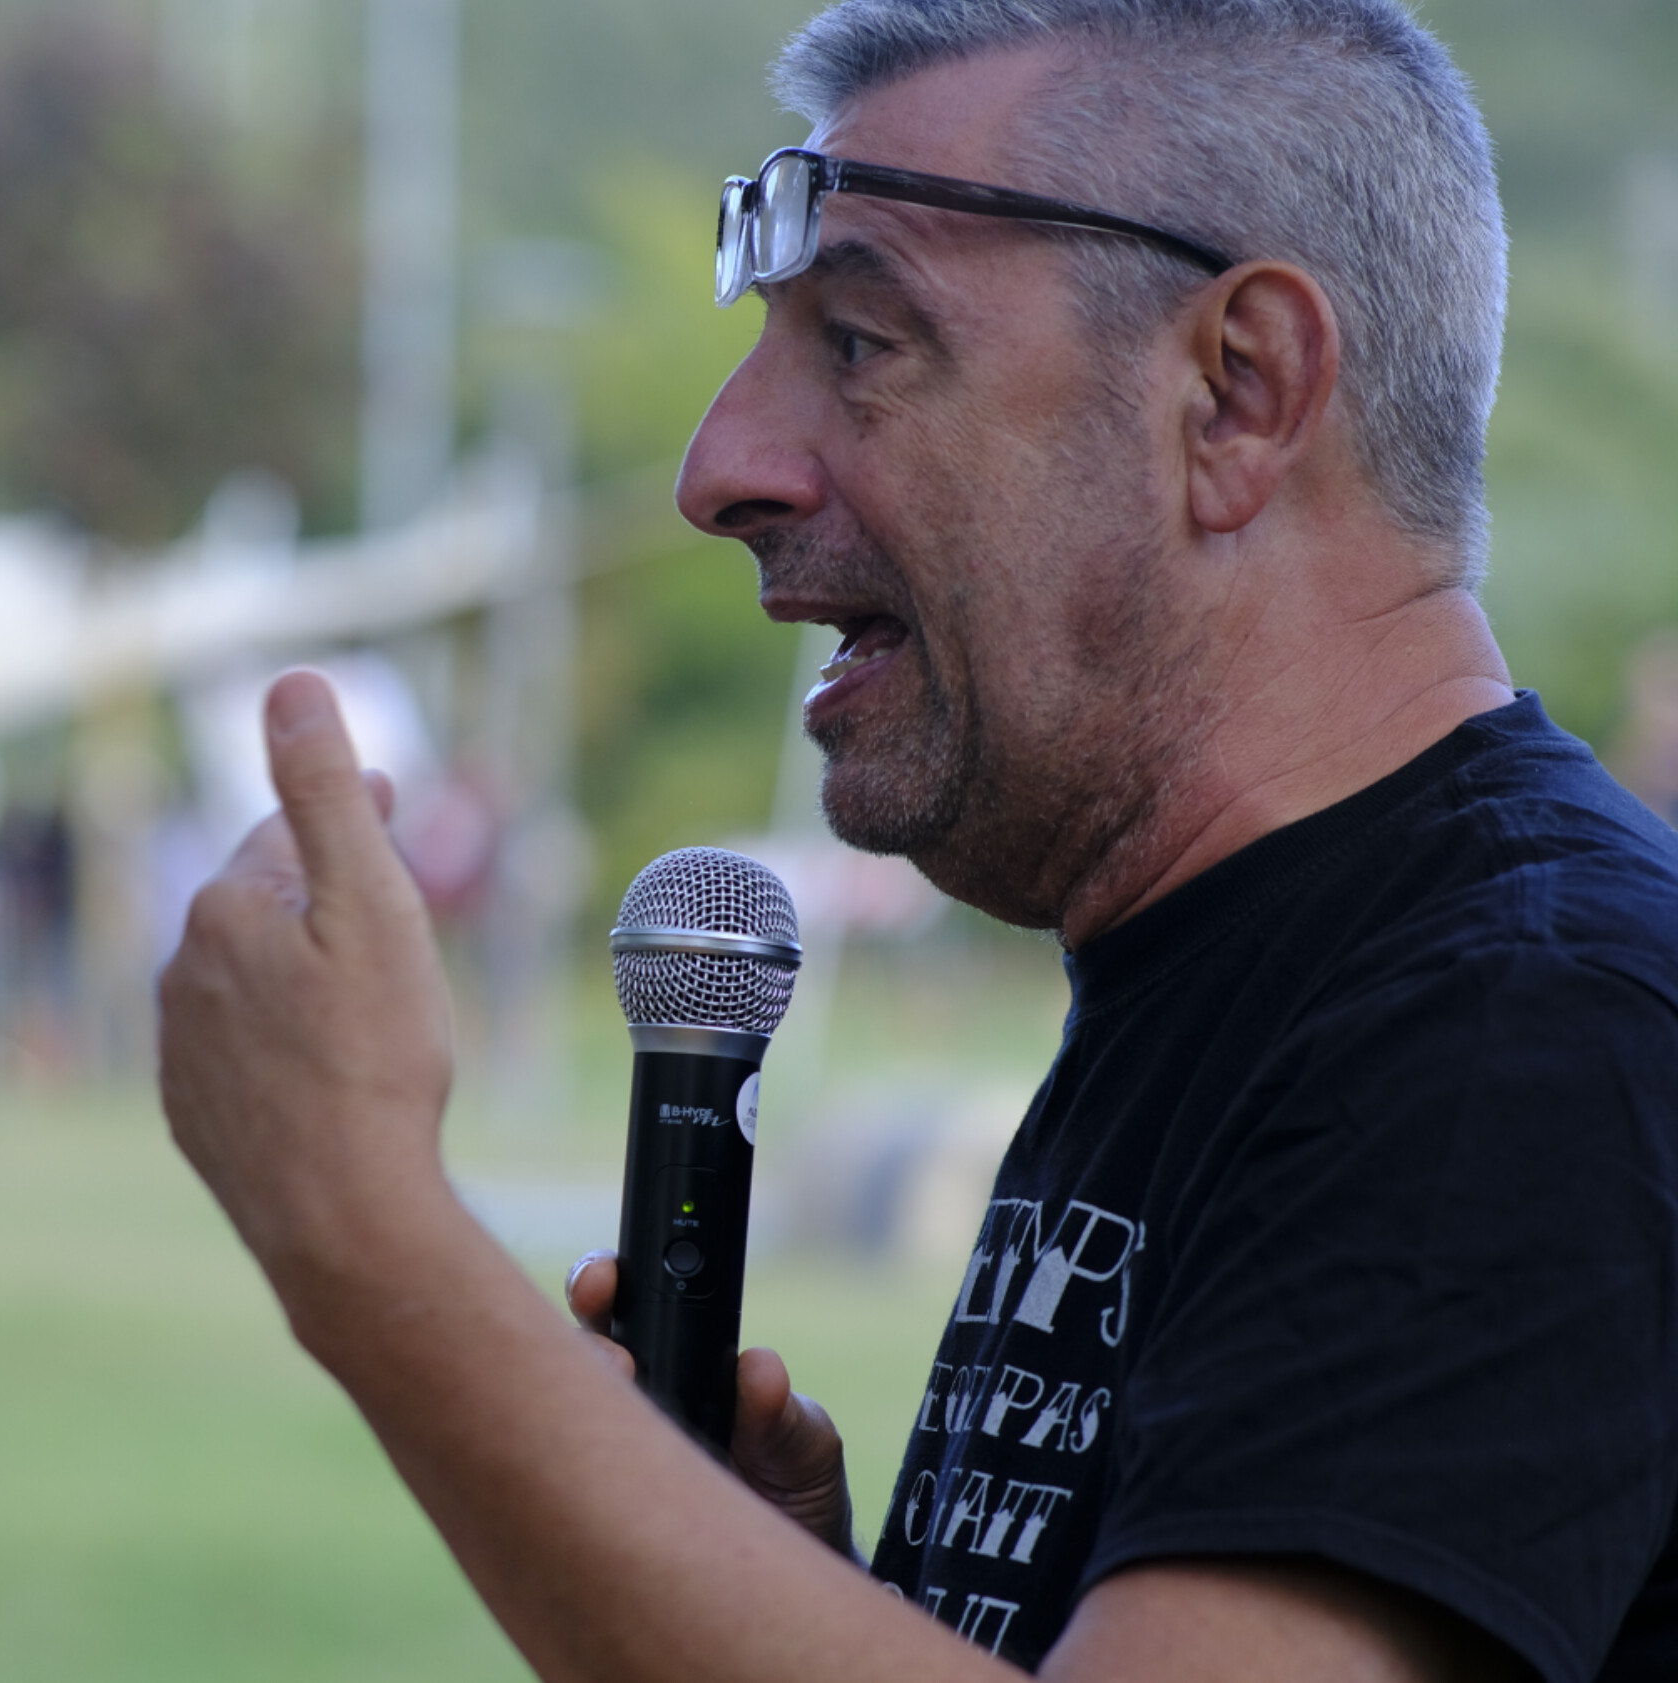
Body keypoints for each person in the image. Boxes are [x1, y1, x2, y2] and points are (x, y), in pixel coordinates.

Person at [157, 1, 1678, 1678]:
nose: (719, 469)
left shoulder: (1521, 1024)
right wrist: (787, 1597)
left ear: (1239, 392)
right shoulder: (1259, 977)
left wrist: (365, 1234)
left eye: (864, 344)